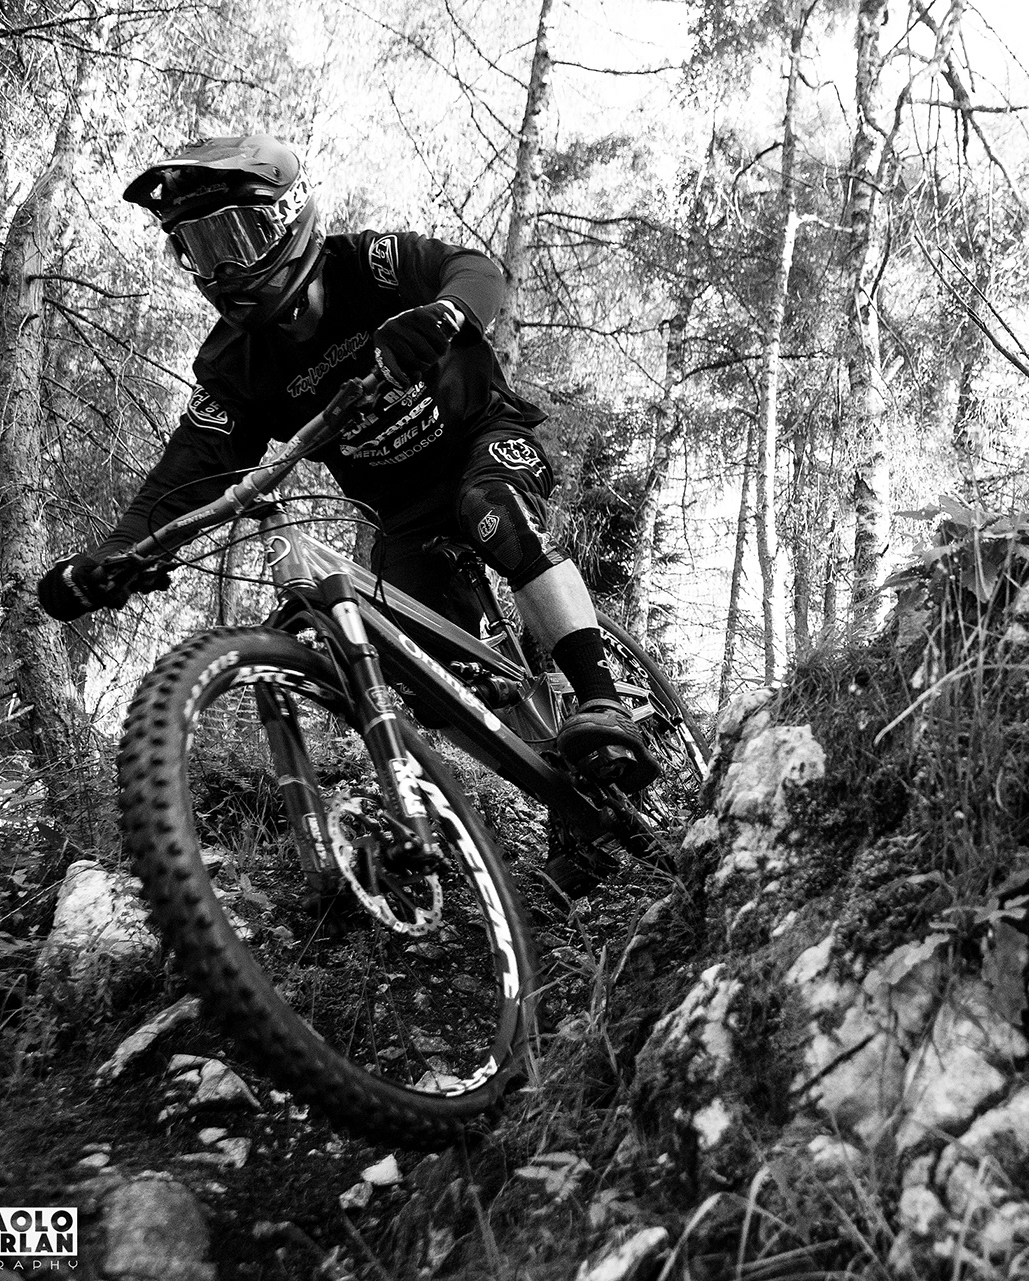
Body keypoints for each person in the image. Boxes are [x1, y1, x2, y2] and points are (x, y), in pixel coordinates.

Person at [36, 134, 659, 821]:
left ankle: (602, 698)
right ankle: (569, 803)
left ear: (289, 217)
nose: (222, 268)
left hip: (481, 442)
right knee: (434, 679)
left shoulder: (368, 265)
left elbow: (473, 269)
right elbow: (189, 468)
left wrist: (443, 313)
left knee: (493, 506)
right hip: (400, 515)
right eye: (200, 249)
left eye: (236, 237)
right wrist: (118, 553)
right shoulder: (234, 364)